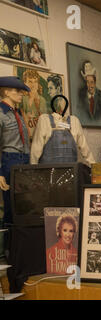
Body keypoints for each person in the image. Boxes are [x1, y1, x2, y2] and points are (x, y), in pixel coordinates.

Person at [0, 76, 31, 226]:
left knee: (24, 204)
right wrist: (0, 172)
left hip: (24, 160)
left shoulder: (17, 113)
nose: (21, 94)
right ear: (6, 92)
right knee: (11, 204)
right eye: (17, 91)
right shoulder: (1, 113)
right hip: (10, 161)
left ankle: (22, 243)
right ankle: (8, 245)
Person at [20, 69, 48, 139]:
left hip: (39, 135)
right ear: (25, 83)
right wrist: (31, 97)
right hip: (27, 135)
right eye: (30, 81)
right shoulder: (22, 98)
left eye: (35, 82)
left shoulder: (42, 100)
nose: (33, 85)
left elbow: (44, 118)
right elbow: (25, 112)